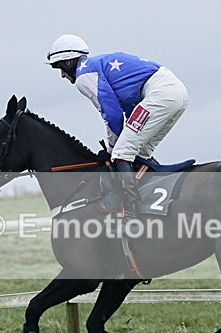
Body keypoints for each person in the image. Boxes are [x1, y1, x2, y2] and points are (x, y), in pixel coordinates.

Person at [46, 34, 188, 230]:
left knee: (122, 153)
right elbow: (128, 112)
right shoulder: (97, 65)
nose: (62, 75)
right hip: (175, 92)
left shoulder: (83, 75)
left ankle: (131, 218)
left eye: (60, 67)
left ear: (69, 61)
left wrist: (113, 147)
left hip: (160, 93)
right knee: (137, 152)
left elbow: (111, 114)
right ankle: (154, 203)